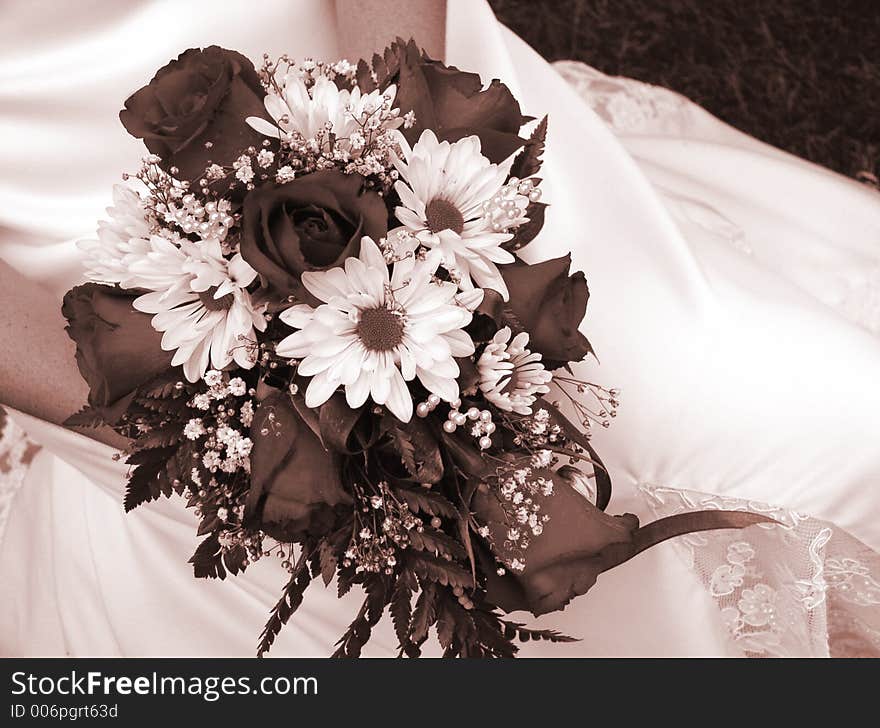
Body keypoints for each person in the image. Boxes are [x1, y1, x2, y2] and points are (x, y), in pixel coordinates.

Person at [1, 0, 878, 657]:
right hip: (112, 302)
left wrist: (402, 160)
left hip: (395, 120)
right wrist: (208, 422)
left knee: (835, 436)